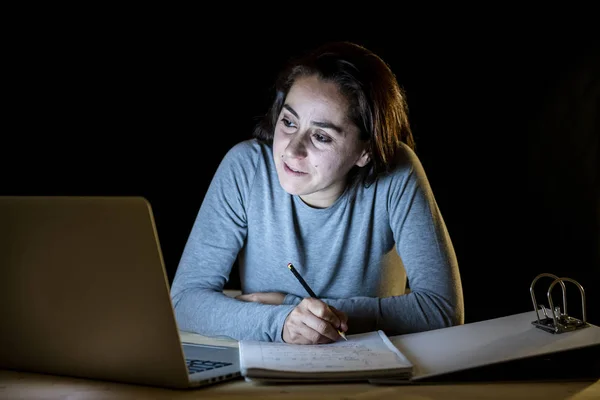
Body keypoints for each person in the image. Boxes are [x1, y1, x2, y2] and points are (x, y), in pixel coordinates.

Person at [170, 41, 464, 345]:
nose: (292, 150)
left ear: (365, 151)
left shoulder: (398, 172)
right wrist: (282, 323)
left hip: (370, 372)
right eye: (288, 122)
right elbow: (184, 302)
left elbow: (442, 310)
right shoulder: (245, 168)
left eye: (321, 136)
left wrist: (290, 306)